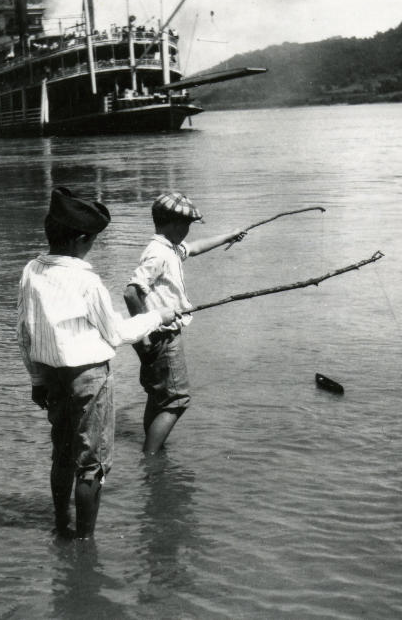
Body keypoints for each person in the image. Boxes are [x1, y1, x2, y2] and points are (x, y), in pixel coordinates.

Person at [17, 187, 177, 538]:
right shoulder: (87, 280)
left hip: (52, 377)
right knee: (91, 464)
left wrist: (36, 381)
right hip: (90, 378)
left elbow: (24, 334)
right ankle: (85, 546)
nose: (93, 246)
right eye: (92, 240)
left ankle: (62, 527)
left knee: (61, 453)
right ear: (80, 239)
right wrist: (158, 316)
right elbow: (115, 333)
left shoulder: (31, 270)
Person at [123, 192, 245, 455]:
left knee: (159, 397)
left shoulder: (171, 248)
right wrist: (143, 335)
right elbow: (131, 292)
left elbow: (196, 247)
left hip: (156, 336)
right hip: (162, 337)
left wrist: (229, 236)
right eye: (187, 224)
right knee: (177, 401)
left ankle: (154, 452)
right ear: (173, 224)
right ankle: (152, 457)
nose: (188, 230)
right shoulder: (158, 253)